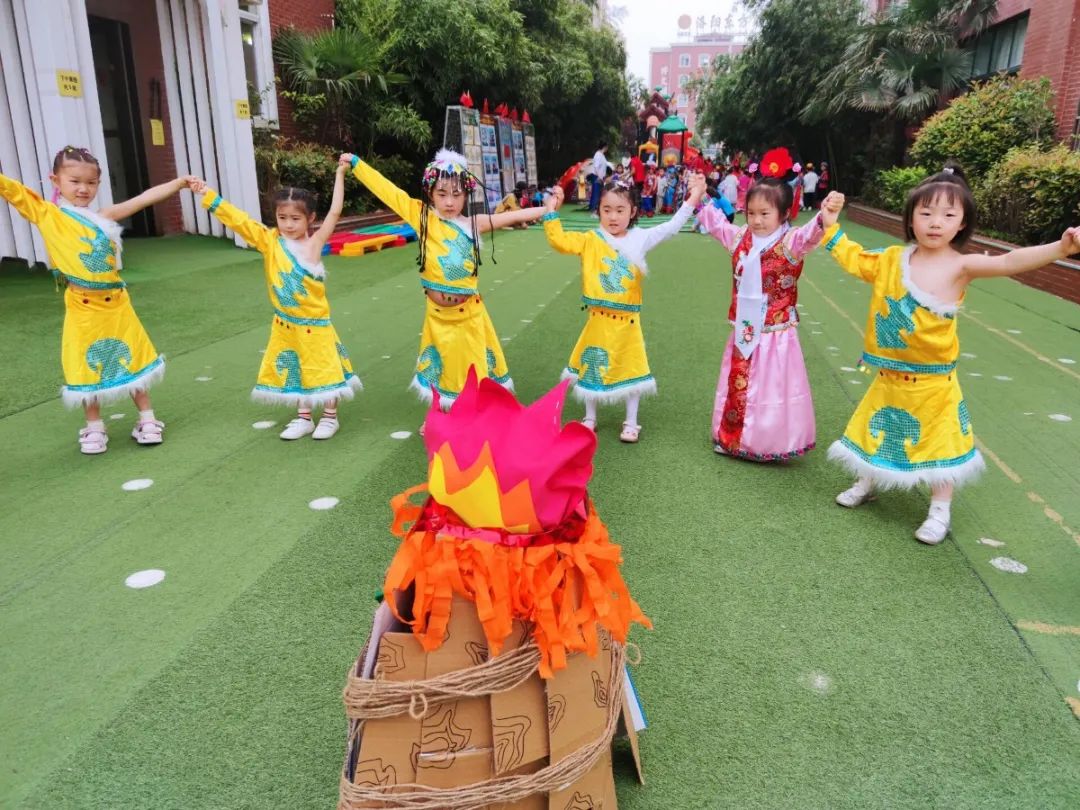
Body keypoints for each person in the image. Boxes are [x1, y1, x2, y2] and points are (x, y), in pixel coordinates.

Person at [821, 164, 1080, 544]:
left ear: (962, 223)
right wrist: (830, 223)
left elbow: (1009, 262)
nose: (935, 222)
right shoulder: (892, 259)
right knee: (878, 430)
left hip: (934, 383)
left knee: (943, 443)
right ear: (911, 218)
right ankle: (867, 481)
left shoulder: (962, 265)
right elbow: (853, 257)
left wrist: (1062, 248)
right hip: (890, 375)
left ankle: (939, 509)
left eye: (947, 214)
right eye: (925, 213)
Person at [0, 147, 194, 454]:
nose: (82, 189)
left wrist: (180, 182)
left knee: (132, 357)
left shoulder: (103, 216)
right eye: (74, 180)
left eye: (91, 183)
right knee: (84, 361)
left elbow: (143, 199)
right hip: (82, 306)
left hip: (117, 302)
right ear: (56, 180)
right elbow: (10, 189)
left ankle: (147, 419)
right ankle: (94, 427)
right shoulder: (47, 214)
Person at [349, 148, 547, 408]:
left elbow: (514, 215)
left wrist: (548, 208)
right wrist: (356, 164)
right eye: (442, 194)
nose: (450, 202)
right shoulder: (423, 218)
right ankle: (436, 414)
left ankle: (474, 413)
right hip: (438, 316)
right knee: (439, 363)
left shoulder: (474, 224)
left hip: (469, 315)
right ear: (431, 194)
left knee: (473, 365)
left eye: (456, 194)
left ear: (466, 195)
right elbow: (389, 192)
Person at [194, 157, 360, 440]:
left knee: (325, 369)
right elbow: (241, 221)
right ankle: (304, 417)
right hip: (286, 325)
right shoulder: (270, 241)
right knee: (295, 368)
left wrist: (340, 175)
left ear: (310, 219)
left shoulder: (314, 243)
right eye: (282, 218)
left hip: (316, 325)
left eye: (295, 218)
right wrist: (208, 195)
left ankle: (330, 417)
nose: (288, 224)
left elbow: (335, 211)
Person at [540, 174, 707, 442]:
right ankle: (590, 417)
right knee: (592, 365)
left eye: (620, 210)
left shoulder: (640, 238)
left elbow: (673, 226)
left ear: (633, 212)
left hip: (628, 322)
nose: (613, 217)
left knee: (632, 369)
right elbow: (559, 240)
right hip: (598, 321)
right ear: (599, 211)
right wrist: (550, 211)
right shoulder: (590, 239)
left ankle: (631, 422)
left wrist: (695, 196)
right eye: (607, 210)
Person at [697, 171, 836, 461]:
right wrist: (698, 197)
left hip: (776, 332)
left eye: (765, 213)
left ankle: (767, 443)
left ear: (784, 214)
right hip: (744, 329)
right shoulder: (740, 239)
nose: (757, 220)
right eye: (751, 213)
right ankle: (732, 438)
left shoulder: (791, 242)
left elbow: (812, 233)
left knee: (771, 386)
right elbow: (718, 226)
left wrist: (825, 215)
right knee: (738, 379)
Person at [589, 141, 609, 214]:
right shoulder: (598, 155)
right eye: (607, 147)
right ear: (604, 147)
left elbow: (603, 167)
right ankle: (593, 210)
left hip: (601, 177)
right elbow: (596, 167)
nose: (607, 148)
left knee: (598, 193)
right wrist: (599, 177)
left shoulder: (602, 155)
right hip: (597, 176)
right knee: (596, 193)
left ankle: (595, 209)